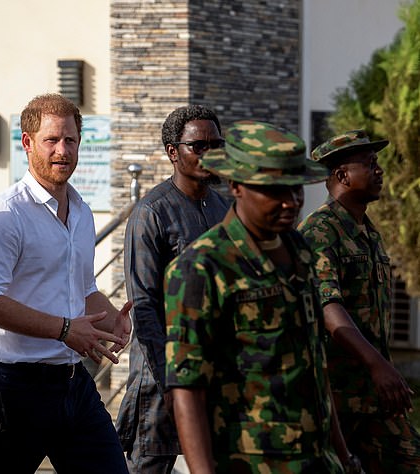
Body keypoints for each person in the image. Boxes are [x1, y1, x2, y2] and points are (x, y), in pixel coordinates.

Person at [164, 121, 360, 473]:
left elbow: (315, 361)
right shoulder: (202, 268)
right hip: (252, 462)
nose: (291, 202)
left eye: (296, 189)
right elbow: (187, 388)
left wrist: (344, 457)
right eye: (274, 190)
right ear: (237, 186)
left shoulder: (298, 249)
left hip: (318, 461)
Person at [0, 93, 132, 473]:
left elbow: (83, 289)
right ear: (27, 143)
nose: (62, 150)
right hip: (15, 389)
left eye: (70, 140)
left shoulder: (82, 211)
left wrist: (112, 321)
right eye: (51, 140)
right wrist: (64, 330)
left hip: (74, 385)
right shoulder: (6, 213)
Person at [116, 105, 229, 473]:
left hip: (214, 373)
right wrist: (170, 380)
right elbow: (144, 304)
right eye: (198, 146)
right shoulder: (152, 213)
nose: (208, 154)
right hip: (162, 376)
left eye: (216, 145)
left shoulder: (225, 207)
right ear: (172, 152)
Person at [299, 130, 420, 473]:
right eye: (370, 164)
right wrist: (377, 364)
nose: (379, 170)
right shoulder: (319, 232)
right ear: (341, 176)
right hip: (335, 398)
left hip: (372, 397)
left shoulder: (368, 232)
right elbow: (327, 308)